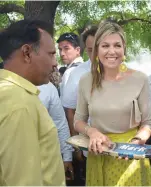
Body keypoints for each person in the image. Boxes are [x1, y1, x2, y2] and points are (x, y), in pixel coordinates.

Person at [74, 21, 151, 186]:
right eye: (105, 46)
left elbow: (148, 122)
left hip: (128, 157)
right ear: (97, 49)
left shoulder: (140, 79)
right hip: (98, 154)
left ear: (124, 48)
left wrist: (136, 142)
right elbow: (78, 121)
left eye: (117, 45)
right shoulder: (85, 81)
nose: (112, 51)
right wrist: (92, 132)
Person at [0, 20, 65, 185]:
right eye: (51, 54)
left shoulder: (12, 93)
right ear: (27, 53)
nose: (55, 63)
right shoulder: (18, 103)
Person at [62, 25, 98, 185]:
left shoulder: (127, 74)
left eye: (101, 47)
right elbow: (70, 111)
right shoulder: (77, 74)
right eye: (91, 49)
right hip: (89, 148)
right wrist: (76, 145)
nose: (96, 54)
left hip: (121, 146)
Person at [37, 82, 74, 183]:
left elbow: (60, 123)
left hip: (47, 162)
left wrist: (67, 156)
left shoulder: (48, 87)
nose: (54, 65)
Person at [57, 32, 84, 100]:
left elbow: (67, 106)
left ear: (77, 50)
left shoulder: (70, 72)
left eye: (66, 48)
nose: (62, 53)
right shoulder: (88, 67)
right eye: (60, 49)